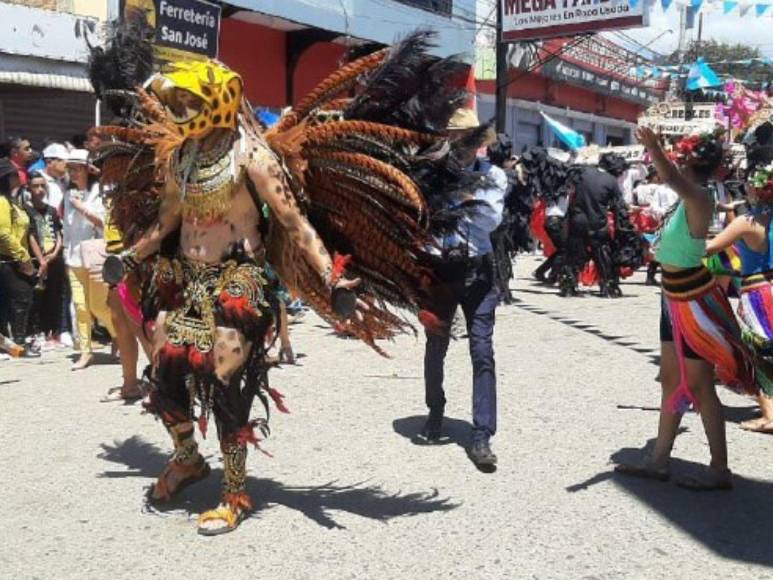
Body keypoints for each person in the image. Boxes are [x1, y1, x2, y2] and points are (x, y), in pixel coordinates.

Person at [90, 23, 486, 534]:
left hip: (240, 279)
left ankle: (234, 493)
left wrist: (332, 277)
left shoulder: (251, 156)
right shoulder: (181, 159)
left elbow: (296, 223)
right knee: (165, 376)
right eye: (177, 101)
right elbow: (168, 221)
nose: (181, 110)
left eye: (190, 99)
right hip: (183, 279)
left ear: (218, 99)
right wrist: (133, 255)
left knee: (226, 380)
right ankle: (188, 458)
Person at [615, 127, 758, 490]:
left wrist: (653, 147)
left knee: (699, 384)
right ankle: (659, 459)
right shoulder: (688, 198)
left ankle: (719, 469)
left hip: (693, 300)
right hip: (673, 298)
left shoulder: (699, 195)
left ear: (689, 160)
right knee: (670, 380)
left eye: (681, 156)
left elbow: (672, 178)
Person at [420, 108, 507, 470]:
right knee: (435, 345)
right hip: (440, 269)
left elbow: (491, 220)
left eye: (466, 138)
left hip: (479, 272)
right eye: (454, 137)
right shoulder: (431, 176)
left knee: (482, 350)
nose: (460, 145)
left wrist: (465, 197)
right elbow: (421, 221)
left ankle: (482, 433)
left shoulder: (494, 175)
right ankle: (435, 411)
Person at [704, 163, 773, 433]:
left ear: (756, 190)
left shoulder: (748, 221)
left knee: (754, 354)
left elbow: (710, 247)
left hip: (757, 292)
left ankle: (769, 414)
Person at [62, 149, 114, 370]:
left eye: (76, 168)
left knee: (98, 307)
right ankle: (86, 351)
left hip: (95, 258)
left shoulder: (101, 193)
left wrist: (82, 208)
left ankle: (118, 334)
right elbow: (66, 227)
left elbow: (104, 224)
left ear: (86, 169)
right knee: (80, 305)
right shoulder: (67, 195)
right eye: (70, 169)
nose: (72, 173)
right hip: (72, 257)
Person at [0, 158, 39, 357]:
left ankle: (14, 345)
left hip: (13, 258)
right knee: (21, 298)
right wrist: (23, 258)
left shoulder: (12, 201)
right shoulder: (2, 202)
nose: (19, 177)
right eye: (15, 174)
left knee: (19, 300)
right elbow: (4, 233)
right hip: (8, 260)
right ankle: (18, 345)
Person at [24, 171, 66, 348]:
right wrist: (42, 260)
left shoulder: (51, 209)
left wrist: (55, 253)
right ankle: (35, 332)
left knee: (55, 296)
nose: (40, 190)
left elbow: (58, 233)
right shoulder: (25, 210)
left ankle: (53, 333)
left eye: (43, 186)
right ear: (29, 189)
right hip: (36, 261)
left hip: (54, 259)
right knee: (36, 297)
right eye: (35, 186)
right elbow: (30, 235)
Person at [41, 143, 69, 216]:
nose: (66, 163)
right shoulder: (39, 179)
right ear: (49, 162)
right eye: (62, 160)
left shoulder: (63, 181)